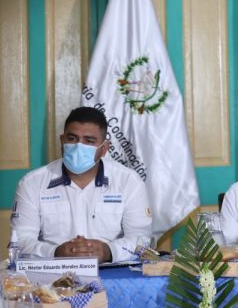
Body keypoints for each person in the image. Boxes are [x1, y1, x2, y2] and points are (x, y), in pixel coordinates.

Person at [11, 107, 152, 262]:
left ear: (104, 148)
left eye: (89, 141)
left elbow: (141, 238)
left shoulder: (129, 181)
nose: (79, 146)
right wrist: (54, 252)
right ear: (62, 141)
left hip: (110, 271)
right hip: (52, 272)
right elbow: (20, 240)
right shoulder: (32, 183)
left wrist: (109, 251)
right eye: (72, 138)